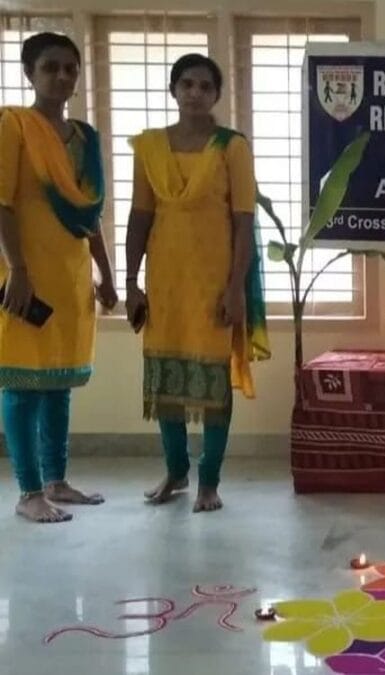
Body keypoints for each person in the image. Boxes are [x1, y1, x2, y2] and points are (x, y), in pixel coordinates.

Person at [124, 53, 270, 513]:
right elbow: (139, 216)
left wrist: (234, 288)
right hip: (165, 282)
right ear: (174, 90)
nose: (195, 93)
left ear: (216, 95)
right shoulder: (149, 147)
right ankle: (176, 472)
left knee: (212, 389)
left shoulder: (232, 147)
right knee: (165, 383)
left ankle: (209, 481)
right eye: (186, 84)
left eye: (205, 86)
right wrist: (131, 282)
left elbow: (243, 222)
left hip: (214, 281)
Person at [0, 32, 117, 523]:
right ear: (30, 73)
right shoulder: (13, 126)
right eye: (51, 67)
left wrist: (107, 275)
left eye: (70, 68)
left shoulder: (85, 138)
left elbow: (90, 215)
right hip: (23, 274)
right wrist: (18, 271)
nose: (62, 76)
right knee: (22, 383)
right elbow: (2, 202)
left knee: (58, 384)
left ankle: (57, 480)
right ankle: (29, 493)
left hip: (72, 277)